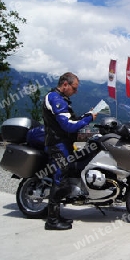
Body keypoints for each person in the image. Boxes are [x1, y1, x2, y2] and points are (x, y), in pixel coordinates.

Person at [42, 72, 97, 230]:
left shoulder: (62, 99)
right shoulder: (55, 98)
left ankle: (57, 214)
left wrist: (87, 115)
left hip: (64, 143)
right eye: (74, 88)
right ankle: (51, 220)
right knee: (59, 179)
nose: (76, 91)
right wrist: (88, 119)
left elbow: (71, 120)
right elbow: (68, 126)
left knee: (67, 175)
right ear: (65, 84)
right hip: (57, 144)